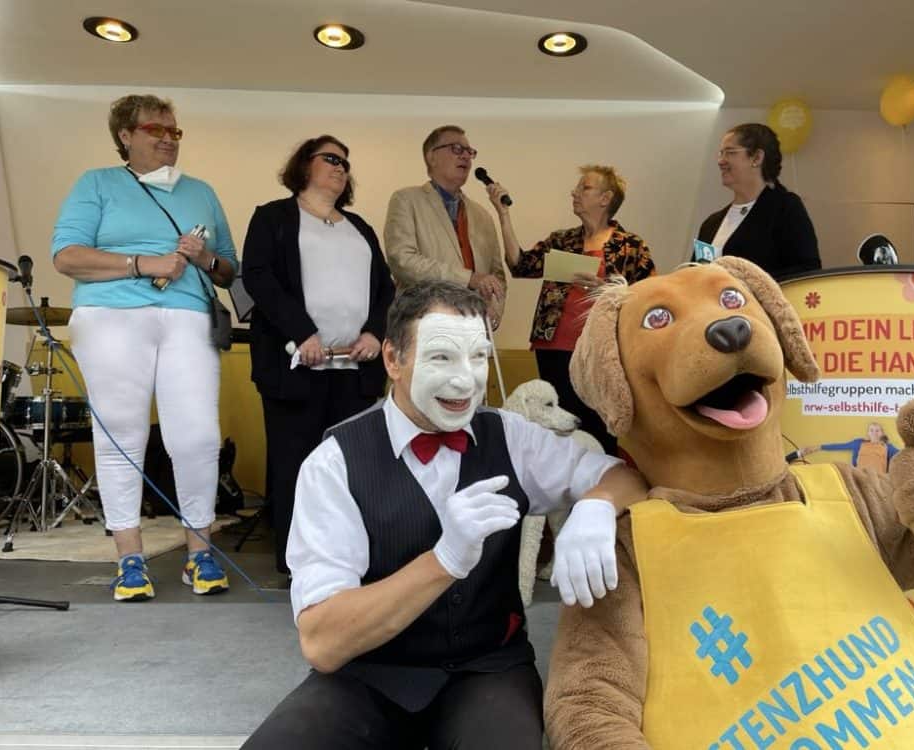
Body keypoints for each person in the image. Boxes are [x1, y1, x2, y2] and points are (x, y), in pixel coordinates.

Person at [241, 280, 648, 750]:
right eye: (442, 357)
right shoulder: (334, 463)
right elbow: (323, 643)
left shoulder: (512, 436)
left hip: (487, 669)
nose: (466, 380)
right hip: (370, 673)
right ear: (394, 360)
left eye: (478, 357)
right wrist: (445, 561)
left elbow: (629, 478)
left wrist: (596, 507)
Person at [51, 94, 238, 601]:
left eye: (175, 131)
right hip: (111, 315)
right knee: (121, 437)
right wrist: (142, 264)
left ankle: (199, 554)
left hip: (188, 318)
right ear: (125, 137)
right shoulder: (97, 183)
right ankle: (129, 560)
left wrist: (203, 257)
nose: (167, 139)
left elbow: (229, 270)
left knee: (198, 437)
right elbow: (66, 256)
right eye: (155, 129)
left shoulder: (201, 191)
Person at [242, 135, 395, 576]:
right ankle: (299, 563)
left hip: (355, 369)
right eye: (331, 158)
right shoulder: (273, 217)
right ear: (303, 165)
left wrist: (373, 333)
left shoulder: (359, 226)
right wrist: (302, 333)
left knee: (354, 465)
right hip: (297, 366)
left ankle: (351, 557)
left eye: (346, 162)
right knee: (297, 464)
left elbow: (384, 288)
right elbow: (259, 277)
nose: (341, 167)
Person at [485, 165, 655, 454]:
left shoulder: (630, 246)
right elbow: (520, 265)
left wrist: (606, 289)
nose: (575, 193)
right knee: (560, 422)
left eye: (585, 188)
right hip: (553, 345)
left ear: (605, 198)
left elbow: (648, 297)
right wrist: (504, 215)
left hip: (599, 349)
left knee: (596, 422)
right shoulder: (563, 240)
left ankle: (600, 483)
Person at [383, 125, 505, 327]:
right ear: (432, 157)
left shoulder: (483, 215)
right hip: (422, 325)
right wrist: (469, 278)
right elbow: (402, 261)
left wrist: (494, 314)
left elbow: (497, 276)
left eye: (469, 151)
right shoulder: (406, 200)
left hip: (473, 329)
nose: (466, 156)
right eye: (457, 149)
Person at [695, 122, 821, 280]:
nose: (721, 161)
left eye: (730, 152)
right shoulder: (710, 224)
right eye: (721, 153)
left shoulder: (784, 208)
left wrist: (745, 282)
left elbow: (806, 270)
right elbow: (694, 274)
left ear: (757, 157)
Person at [799, 421, 899, 472]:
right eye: (871, 430)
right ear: (868, 433)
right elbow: (839, 446)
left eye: (877, 430)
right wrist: (818, 447)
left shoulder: (888, 447)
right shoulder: (859, 443)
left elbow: (902, 455)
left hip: (879, 481)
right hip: (860, 478)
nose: (874, 433)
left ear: (882, 433)